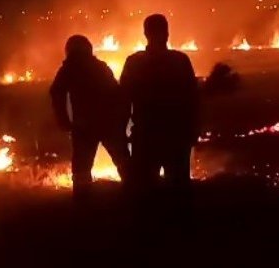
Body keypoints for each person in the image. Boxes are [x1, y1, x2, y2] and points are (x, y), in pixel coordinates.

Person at [119, 14, 200, 192]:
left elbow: (123, 100)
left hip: (146, 136)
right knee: (178, 189)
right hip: (176, 135)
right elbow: (193, 98)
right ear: (167, 33)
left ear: (145, 33)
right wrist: (193, 130)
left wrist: (121, 133)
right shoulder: (180, 60)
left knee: (146, 192)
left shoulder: (134, 62)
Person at [49, 34, 133, 196]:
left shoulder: (69, 69)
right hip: (108, 123)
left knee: (82, 168)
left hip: (84, 125)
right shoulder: (100, 66)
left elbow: (56, 92)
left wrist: (64, 121)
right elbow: (117, 94)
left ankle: (83, 203)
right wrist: (120, 122)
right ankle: (134, 197)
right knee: (123, 162)